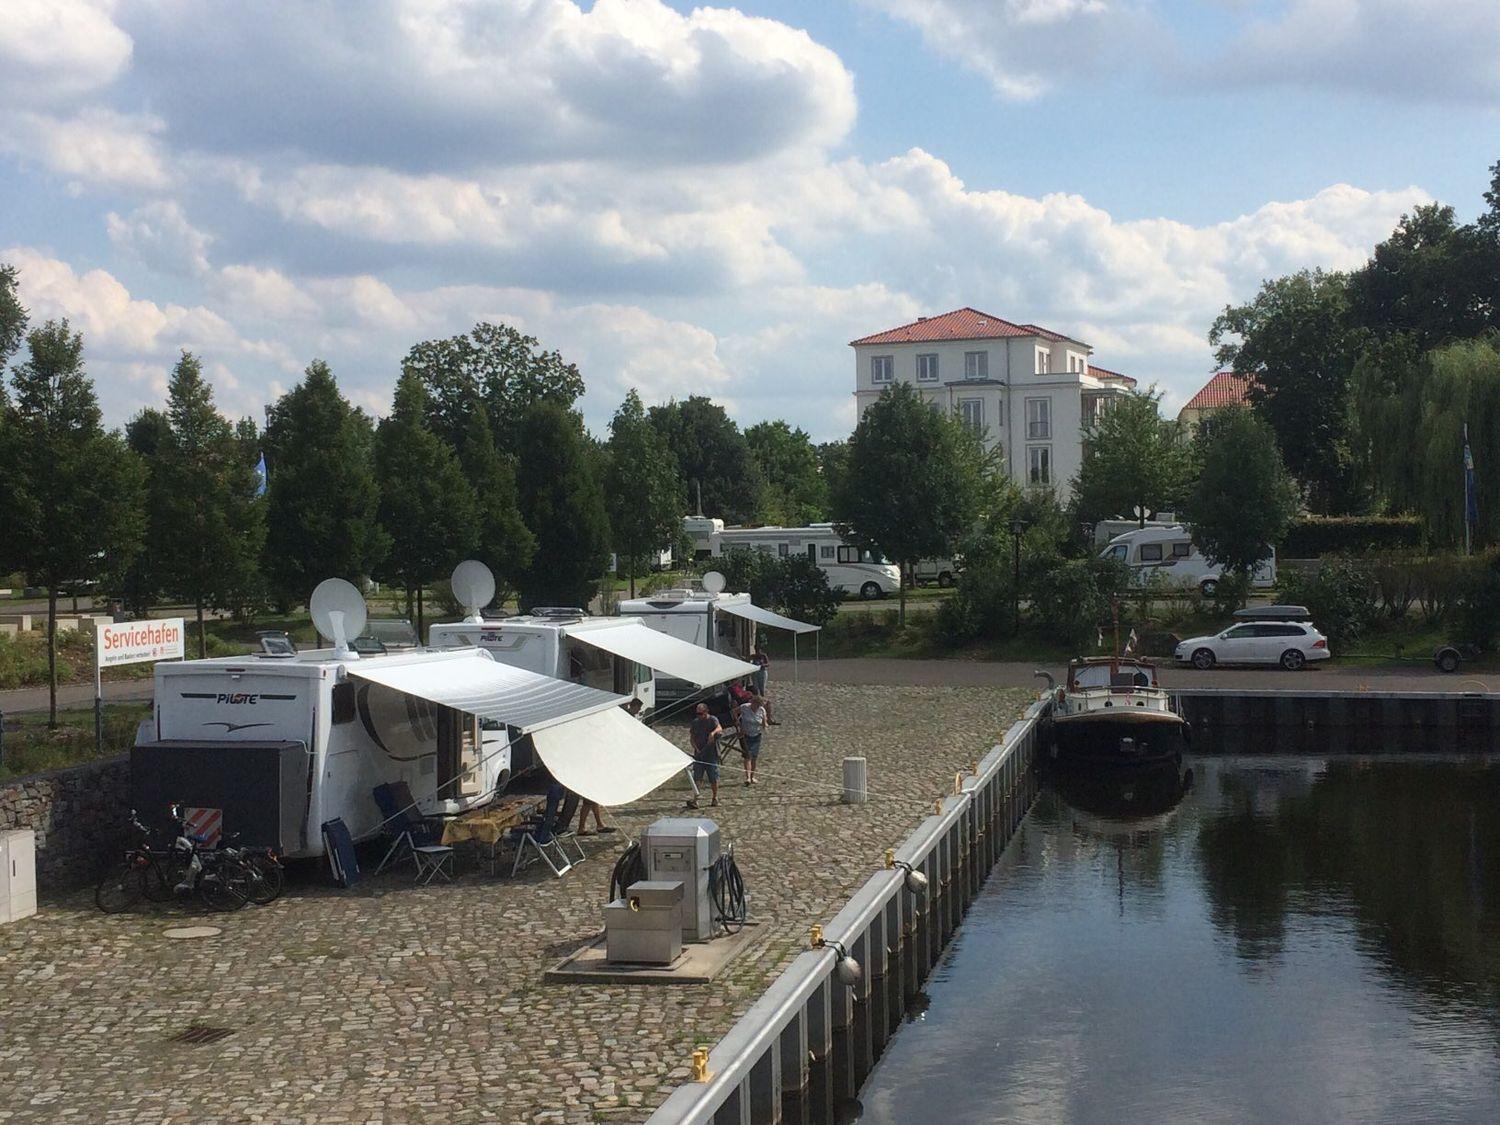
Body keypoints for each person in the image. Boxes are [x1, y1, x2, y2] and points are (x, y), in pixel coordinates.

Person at [686, 702, 722, 808]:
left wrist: (713, 733)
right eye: (697, 713)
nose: (699, 716)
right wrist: (696, 748)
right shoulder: (695, 722)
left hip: (711, 754)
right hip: (699, 754)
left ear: (706, 712)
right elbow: (692, 737)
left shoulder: (713, 720)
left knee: (713, 777)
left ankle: (715, 798)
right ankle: (696, 799)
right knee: (697, 777)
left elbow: (720, 728)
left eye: (701, 713)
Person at [737, 692, 767, 786]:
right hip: (745, 735)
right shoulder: (745, 707)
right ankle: (748, 778)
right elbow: (734, 712)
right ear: (752, 703)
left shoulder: (761, 710)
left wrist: (765, 725)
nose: (757, 707)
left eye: (759, 705)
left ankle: (752, 776)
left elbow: (764, 722)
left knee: (754, 758)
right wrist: (739, 724)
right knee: (748, 756)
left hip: (756, 735)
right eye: (756, 705)